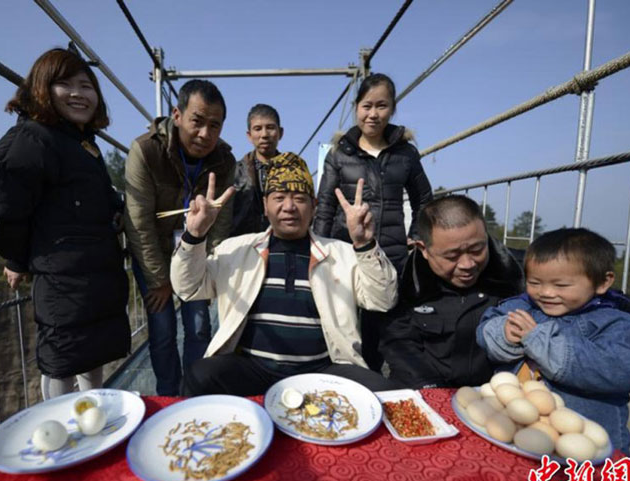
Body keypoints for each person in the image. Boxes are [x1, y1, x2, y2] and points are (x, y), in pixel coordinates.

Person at [171, 152, 398, 396]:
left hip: (323, 370)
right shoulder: (235, 250)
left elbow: (383, 300)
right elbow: (189, 288)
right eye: (279, 197)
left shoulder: (342, 254)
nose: (289, 207)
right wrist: (195, 236)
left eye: (299, 198)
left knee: (384, 395)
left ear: (314, 207)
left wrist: (365, 245)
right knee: (199, 376)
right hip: (253, 368)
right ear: (265, 207)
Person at [0, 48, 130, 399]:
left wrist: (117, 212)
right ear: (42, 88)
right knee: (61, 360)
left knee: (91, 356)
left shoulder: (82, 143)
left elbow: (99, 196)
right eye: (64, 84)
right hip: (63, 277)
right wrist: (19, 258)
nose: (78, 93)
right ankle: (58, 436)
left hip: (94, 272)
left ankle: (94, 421)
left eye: (86, 85)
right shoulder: (33, 138)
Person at [476, 228, 630, 455]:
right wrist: (504, 335)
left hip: (584, 452)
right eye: (535, 282)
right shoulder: (522, 306)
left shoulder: (620, 326)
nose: (546, 292)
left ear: (603, 282)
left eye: (561, 285)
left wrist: (538, 340)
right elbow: (486, 330)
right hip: (514, 433)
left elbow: (619, 370)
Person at [314, 73, 433, 371]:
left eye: (382, 106)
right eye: (367, 105)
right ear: (356, 107)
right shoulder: (340, 154)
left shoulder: (405, 154)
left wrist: (416, 235)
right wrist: (315, 249)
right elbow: (326, 206)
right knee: (346, 327)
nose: (373, 114)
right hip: (346, 254)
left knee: (387, 333)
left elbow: (425, 200)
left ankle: (384, 394)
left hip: (391, 257)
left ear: (392, 109)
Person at [124, 79, 236, 396]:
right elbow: (138, 222)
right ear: (177, 115)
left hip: (196, 255)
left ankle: (195, 392)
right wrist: (160, 279)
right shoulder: (146, 150)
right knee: (162, 330)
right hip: (155, 253)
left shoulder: (224, 160)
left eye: (214, 126)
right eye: (197, 122)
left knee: (199, 327)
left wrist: (205, 268)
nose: (205, 134)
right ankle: (168, 395)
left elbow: (221, 223)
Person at [378, 195, 524, 389]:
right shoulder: (403, 283)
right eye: (452, 256)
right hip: (427, 392)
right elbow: (399, 346)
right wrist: (434, 394)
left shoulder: (518, 274)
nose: (467, 264)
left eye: (477, 249)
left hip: (496, 396)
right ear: (424, 249)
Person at [230, 103, 283, 236]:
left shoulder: (293, 171)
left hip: (281, 244)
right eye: (258, 129)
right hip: (243, 244)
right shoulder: (234, 172)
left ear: (280, 132)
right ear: (249, 135)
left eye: (270, 127)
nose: (264, 134)